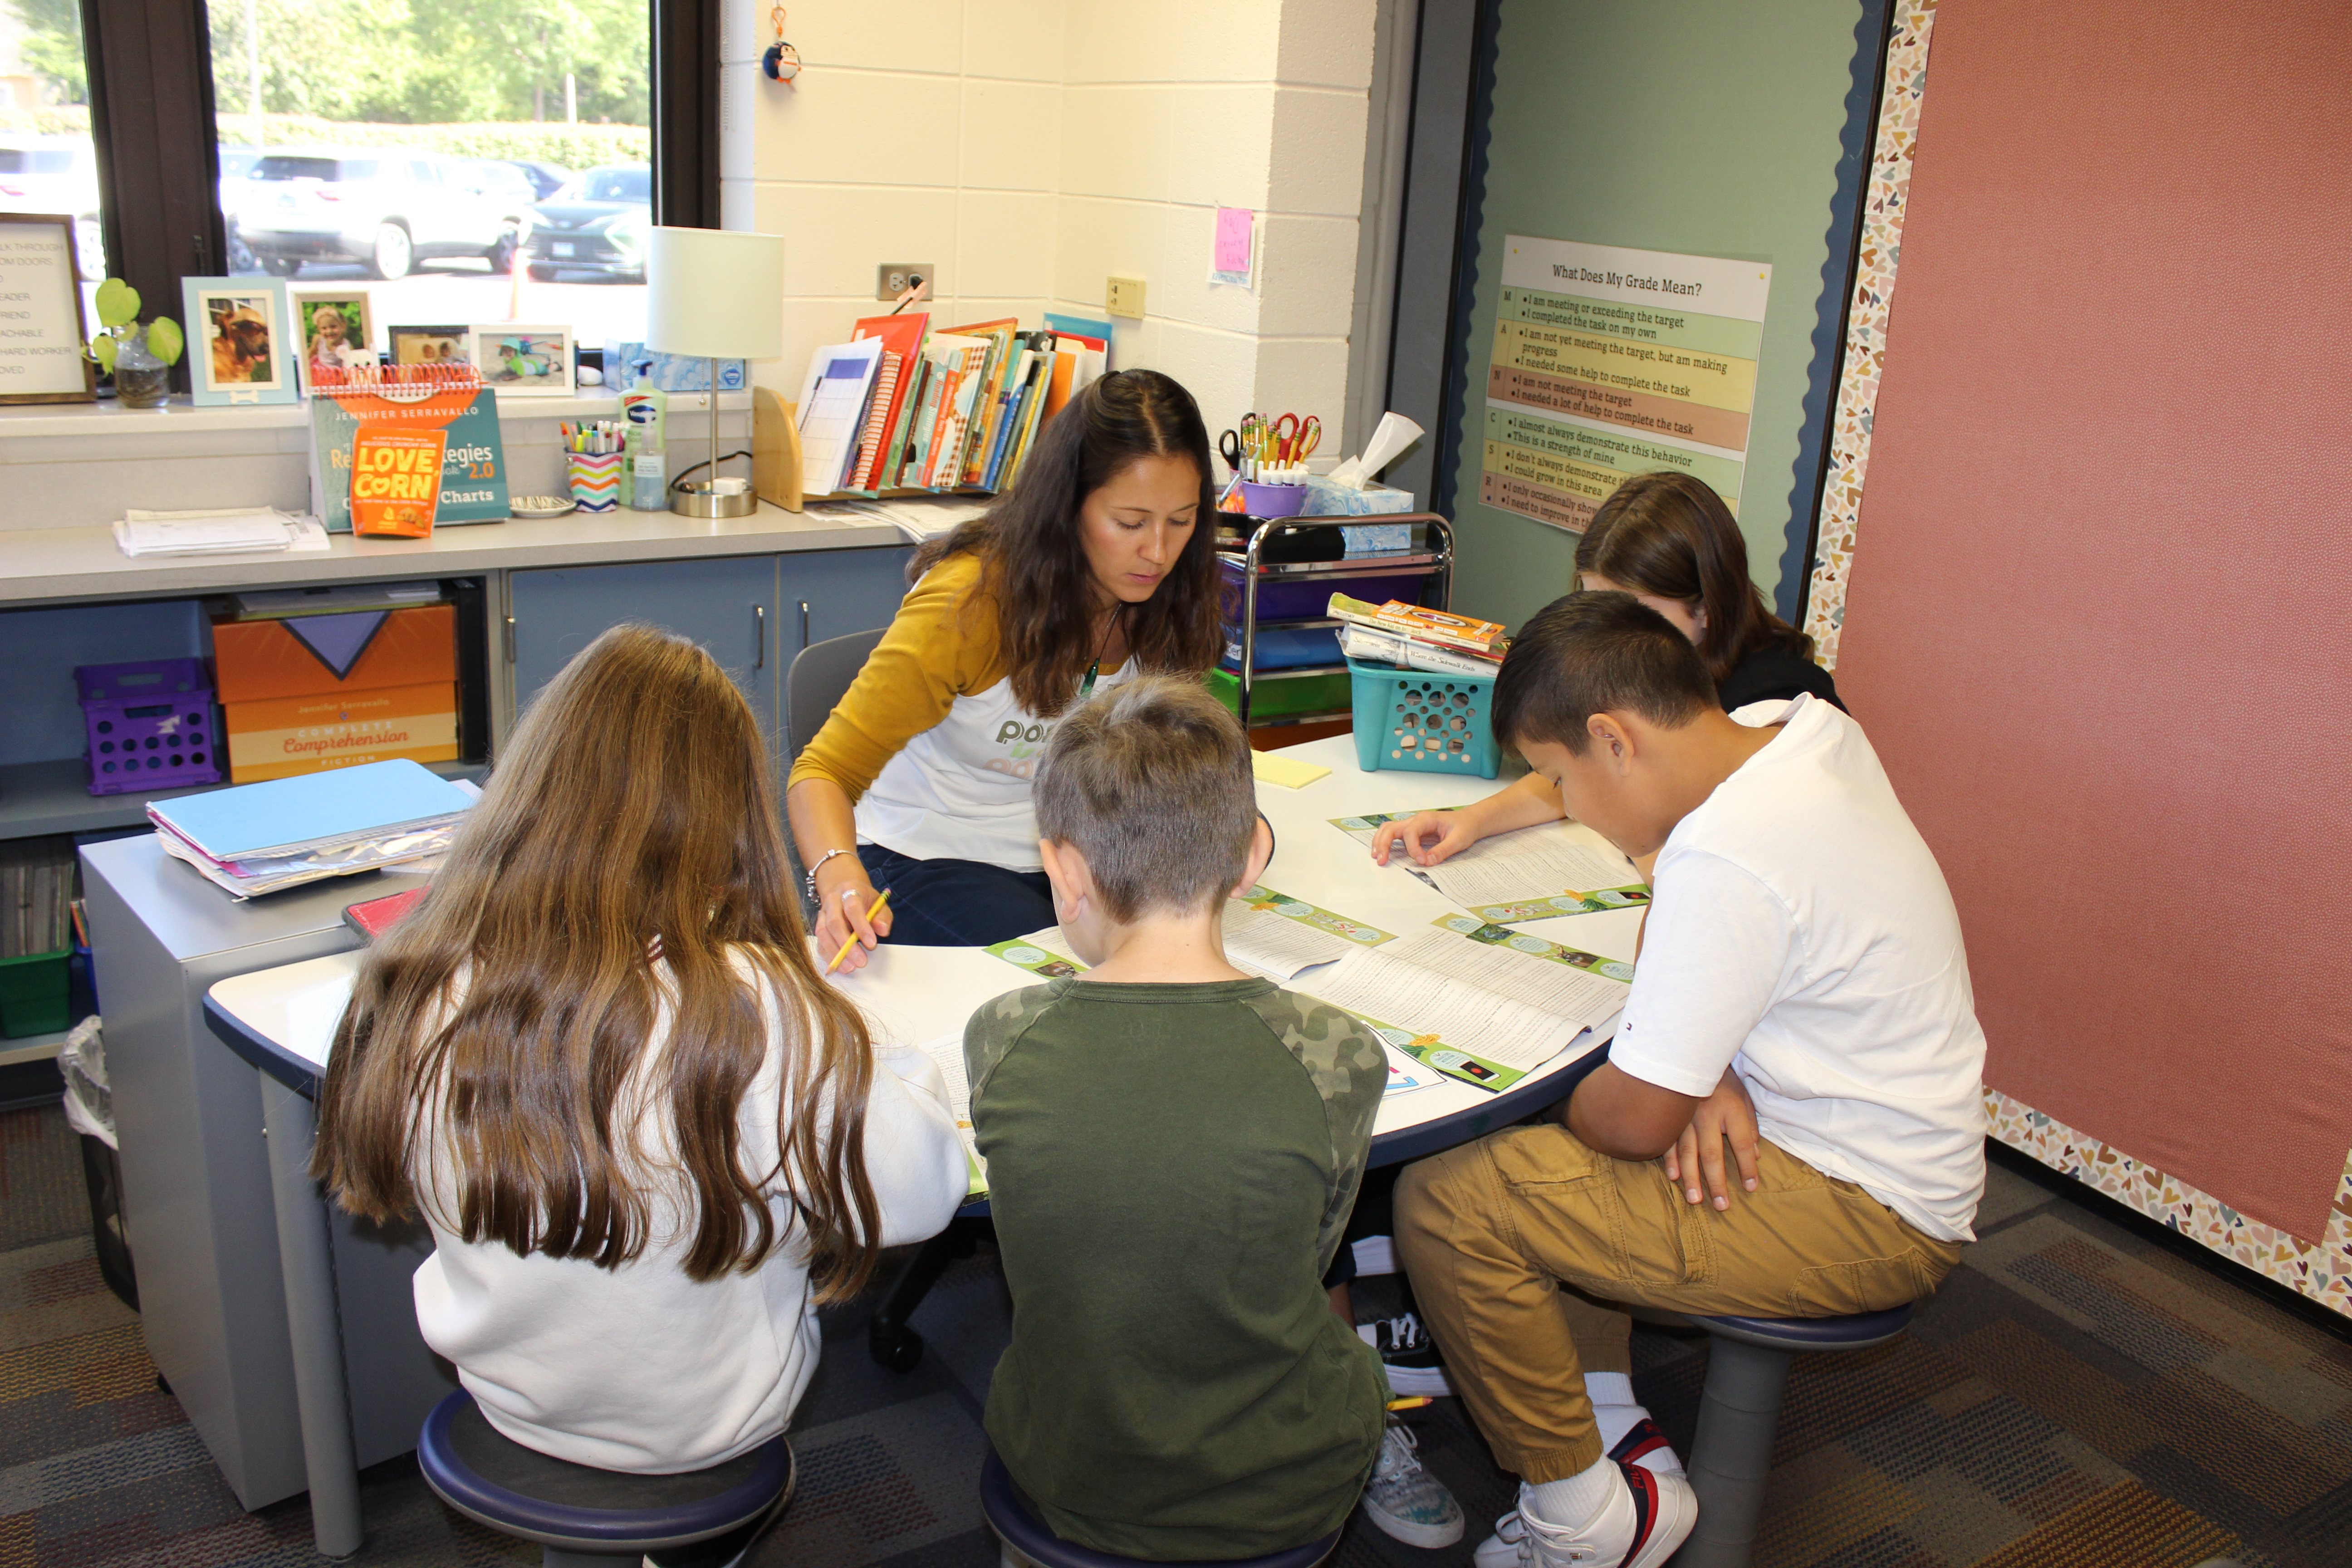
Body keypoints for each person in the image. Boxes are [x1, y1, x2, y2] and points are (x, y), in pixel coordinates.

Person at [311, 626, 967, 1562]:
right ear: (727, 825)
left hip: (515, 1392)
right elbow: (922, 1192)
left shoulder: (416, 980)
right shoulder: (762, 1013)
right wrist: (878, 1048)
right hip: (699, 1429)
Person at [1392, 593, 1988, 1568]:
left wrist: (1558, 1081)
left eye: (1556, 778)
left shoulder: (1730, 851)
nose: (1565, 804)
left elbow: (1628, 1123)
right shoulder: (1794, 731)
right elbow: (1697, 912)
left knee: (1456, 1201)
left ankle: (1584, 1522)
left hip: (1869, 1205)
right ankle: (1617, 1436)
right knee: (1548, 1170)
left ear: (1612, 740)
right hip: (1889, 1135)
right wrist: (1704, 1066)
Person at [965, 676, 1465, 1555]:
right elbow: (1303, 1258)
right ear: (1247, 862)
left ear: (1064, 871)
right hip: (1283, 1483)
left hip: (1072, 1470)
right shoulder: (1335, 1053)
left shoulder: (1001, 1036)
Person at [788, 369, 1224, 960]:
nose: (1158, 551)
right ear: (1067, 508)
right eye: (1129, 523)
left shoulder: (1169, 599)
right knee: (1078, 985)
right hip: (925, 857)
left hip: (1076, 862)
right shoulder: (970, 605)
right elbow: (822, 773)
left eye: (1181, 521)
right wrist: (838, 878)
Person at [1369, 469, 1839, 877]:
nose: (1611, 631)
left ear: (1706, 609)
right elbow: (1573, 766)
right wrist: (1473, 820)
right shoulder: (1632, 670)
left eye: (1635, 612)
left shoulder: (1779, 701)